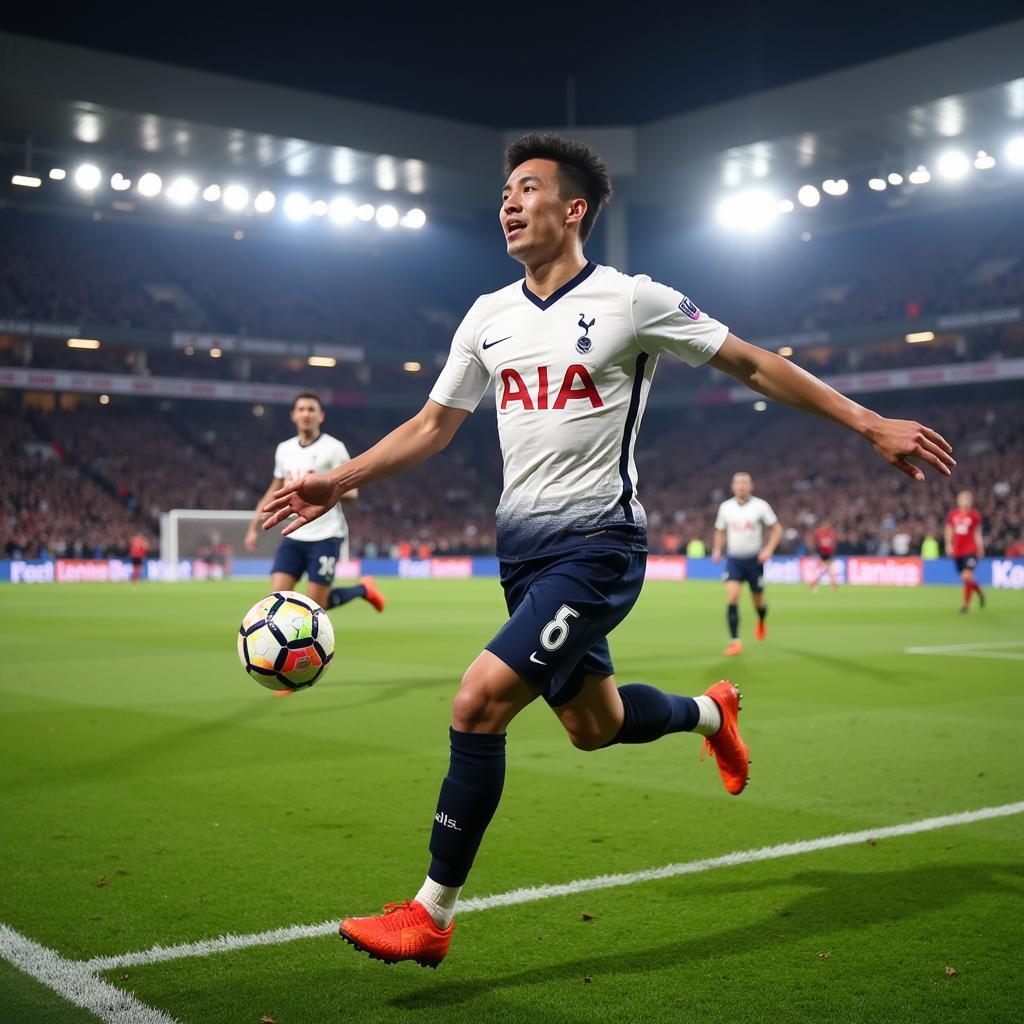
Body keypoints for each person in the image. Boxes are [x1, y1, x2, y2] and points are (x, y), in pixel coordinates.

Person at [262, 133, 955, 968]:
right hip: (520, 556)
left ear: (574, 208)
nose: (508, 205)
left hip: (598, 548)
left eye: (527, 189)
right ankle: (711, 712)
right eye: (504, 194)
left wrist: (867, 421)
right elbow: (432, 425)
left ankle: (431, 914)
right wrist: (341, 481)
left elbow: (752, 364)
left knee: (477, 702)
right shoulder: (488, 316)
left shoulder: (633, 301)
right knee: (596, 726)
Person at [245, 393, 384, 614]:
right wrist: (253, 527)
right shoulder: (284, 449)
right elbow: (274, 489)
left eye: (311, 409)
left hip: (325, 535)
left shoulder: (334, 448)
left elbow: (353, 492)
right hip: (294, 535)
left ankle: (363, 589)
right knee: (275, 602)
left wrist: (322, 490)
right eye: (301, 409)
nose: (306, 414)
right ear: (293, 415)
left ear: (321, 415)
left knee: (316, 607)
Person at [711, 473, 782, 655]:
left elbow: (776, 529)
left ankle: (761, 620)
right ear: (732, 486)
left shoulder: (761, 506)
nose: (741, 486)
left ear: (751, 486)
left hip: (754, 561)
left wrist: (769, 549)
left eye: (745, 483)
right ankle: (735, 642)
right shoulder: (725, 507)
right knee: (732, 597)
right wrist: (717, 549)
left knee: (758, 601)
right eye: (738, 482)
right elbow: (719, 530)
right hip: (734, 560)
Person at [944, 489, 985, 613]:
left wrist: (980, 547)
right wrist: (948, 545)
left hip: (970, 549)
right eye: (963, 499)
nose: (965, 501)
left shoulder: (974, 515)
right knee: (965, 578)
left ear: (971, 501)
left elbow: (978, 533)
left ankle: (965, 606)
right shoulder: (953, 515)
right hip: (957, 551)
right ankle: (980, 593)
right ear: (958, 501)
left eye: (968, 499)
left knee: (967, 576)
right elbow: (949, 530)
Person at [807, 519, 840, 591]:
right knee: (827, 570)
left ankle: (813, 584)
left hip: (828, 555)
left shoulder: (831, 533)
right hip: (822, 554)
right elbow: (816, 542)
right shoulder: (819, 533)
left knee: (826, 570)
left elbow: (833, 545)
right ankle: (834, 585)